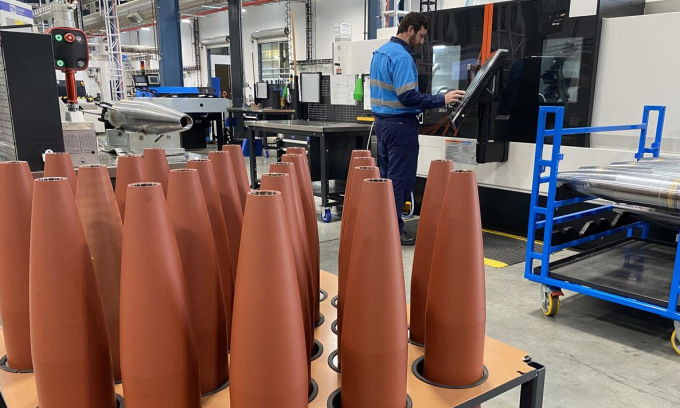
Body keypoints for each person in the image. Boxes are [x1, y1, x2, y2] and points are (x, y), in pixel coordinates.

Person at [370, 12, 465, 246]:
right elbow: (408, 97)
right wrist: (441, 99)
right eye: (421, 36)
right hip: (401, 127)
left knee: (387, 179)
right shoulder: (402, 57)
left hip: (382, 125)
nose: (422, 42)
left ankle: (383, 226)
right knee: (400, 180)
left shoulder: (380, 53)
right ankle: (394, 230)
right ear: (410, 29)